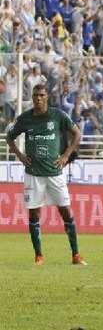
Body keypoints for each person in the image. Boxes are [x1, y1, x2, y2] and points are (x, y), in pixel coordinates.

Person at [5, 84, 86, 265]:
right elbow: (9, 137)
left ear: (47, 96)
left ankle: (76, 255)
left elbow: (77, 134)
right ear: (32, 97)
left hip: (54, 172)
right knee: (34, 213)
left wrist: (65, 155)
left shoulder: (58, 115)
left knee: (65, 209)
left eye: (41, 95)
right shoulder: (25, 118)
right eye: (35, 96)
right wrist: (20, 155)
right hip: (33, 173)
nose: (38, 99)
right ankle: (39, 255)